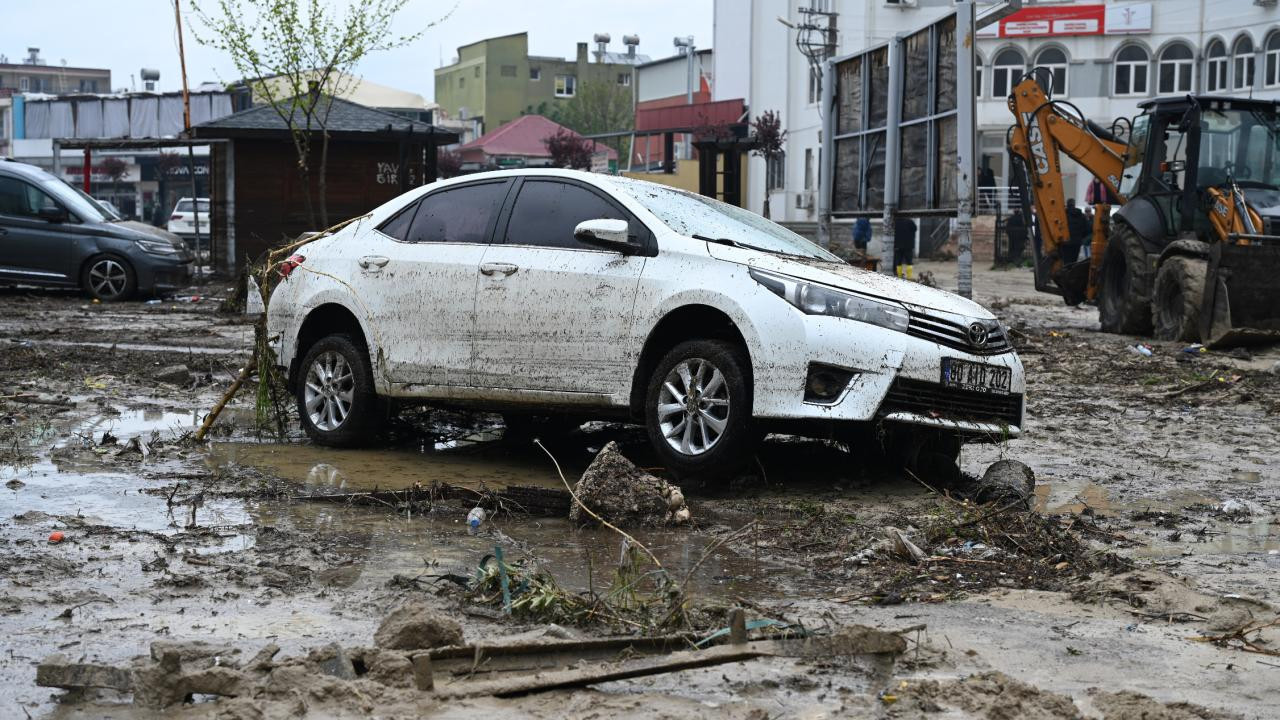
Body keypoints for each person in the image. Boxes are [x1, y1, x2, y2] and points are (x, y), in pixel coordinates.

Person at [1063, 198, 1089, 264]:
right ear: (1074, 205)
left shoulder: (1064, 215)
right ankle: (1071, 272)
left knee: (1066, 261)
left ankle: (1066, 273)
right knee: (1074, 261)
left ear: (1067, 204)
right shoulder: (1082, 216)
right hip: (1077, 242)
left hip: (1066, 242)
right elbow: (1086, 229)